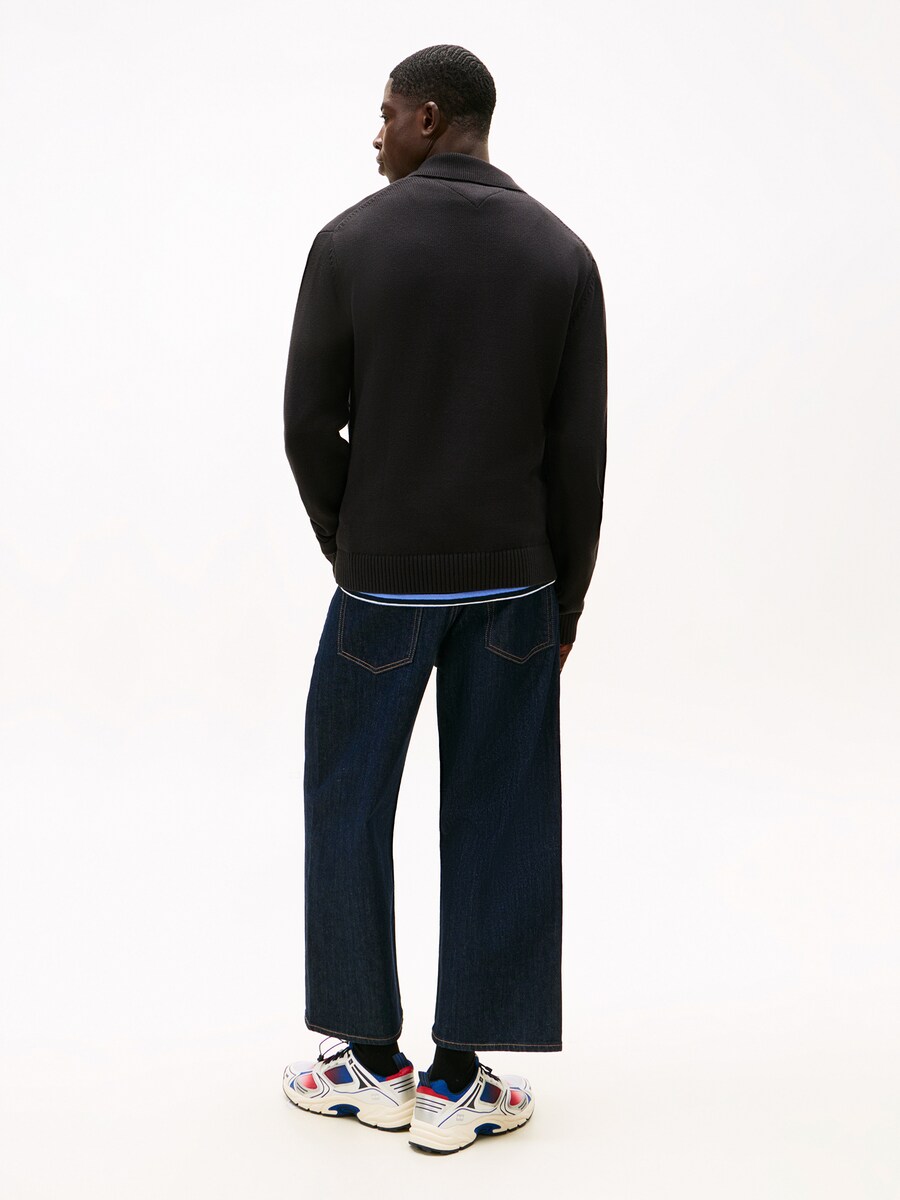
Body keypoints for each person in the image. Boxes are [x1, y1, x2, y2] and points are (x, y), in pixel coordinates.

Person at [281, 43, 607, 1154]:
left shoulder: (349, 244)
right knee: (501, 812)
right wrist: (566, 604)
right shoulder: (561, 253)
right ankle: (459, 1081)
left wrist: (351, 545)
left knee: (347, 800)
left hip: (383, 581)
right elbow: (578, 452)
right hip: (516, 581)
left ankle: (370, 1062)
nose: (374, 134)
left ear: (429, 116)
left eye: (385, 114)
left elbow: (305, 423)